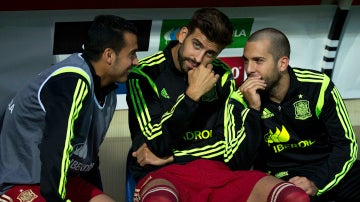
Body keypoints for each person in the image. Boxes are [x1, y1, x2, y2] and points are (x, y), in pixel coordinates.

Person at [126, 8, 309, 202]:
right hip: (165, 174)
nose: (198, 58)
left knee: (294, 197)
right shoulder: (144, 75)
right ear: (183, 35)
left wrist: (176, 155)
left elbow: (228, 147)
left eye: (210, 53)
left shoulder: (222, 74)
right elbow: (155, 145)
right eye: (196, 45)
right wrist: (192, 95)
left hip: (217, 172)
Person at [0, 15, 139, 201]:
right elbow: (55, 151)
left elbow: (88, 159)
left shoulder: (110, 94)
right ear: (109, 55)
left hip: (65, 179)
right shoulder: (72, 80)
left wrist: (97, 192)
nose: (136, 61)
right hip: (25, 181)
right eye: (132, 54)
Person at [240, 27, 360, 201]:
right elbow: (241, 161)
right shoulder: (241, 97)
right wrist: (253, 110)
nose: (249, 69)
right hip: (283, 176)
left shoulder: (318, 86)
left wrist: (317, 182)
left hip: (325, 166)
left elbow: (346, 145)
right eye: (246, 61)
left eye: (258, 61)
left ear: (282, 63)